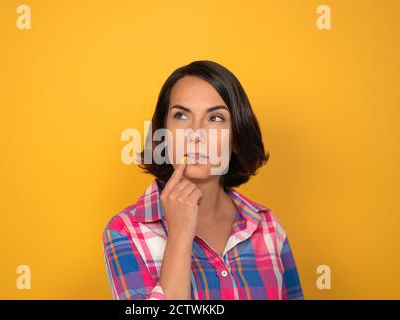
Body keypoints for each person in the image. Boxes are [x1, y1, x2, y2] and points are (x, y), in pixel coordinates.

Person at [102, 60, 304, 300]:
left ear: (237, 139)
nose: (196, 134)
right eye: (181, 115)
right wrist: (179, 235)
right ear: (163, 134)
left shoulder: (268, 227)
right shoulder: (125, 232)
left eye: (215, 118)